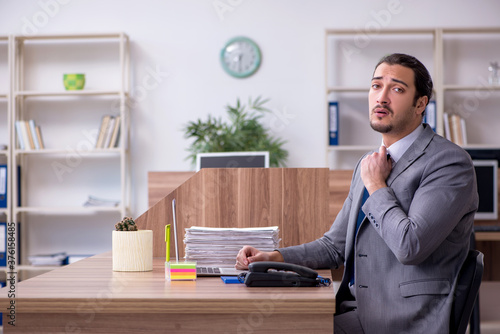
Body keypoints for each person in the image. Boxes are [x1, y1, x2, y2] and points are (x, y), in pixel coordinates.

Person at [235, 53, 478, 334]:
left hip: (407, 320)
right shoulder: (369, 163)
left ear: (420, 104)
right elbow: (334, 246)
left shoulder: (449, 162)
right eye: (376, 86)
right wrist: (273, 257)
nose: (382, 98)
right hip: (356, 311)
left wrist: (376, 185)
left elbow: (410, 246)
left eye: (397, 89)